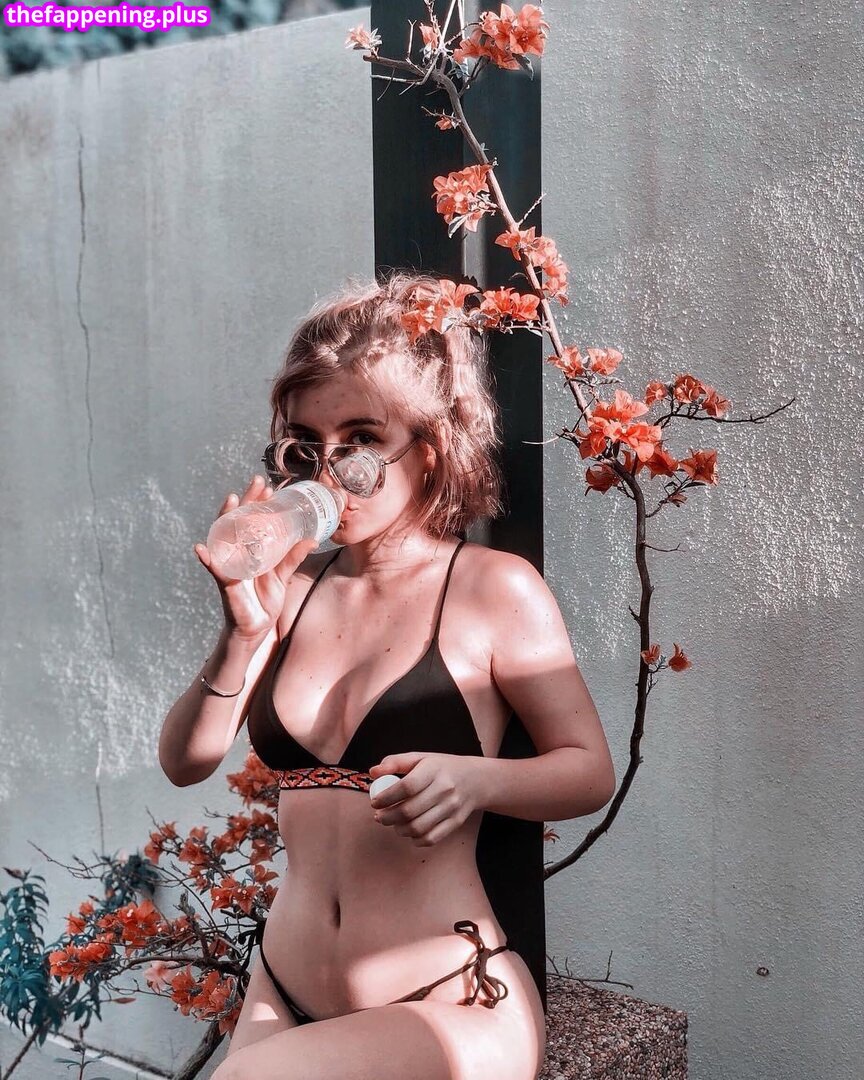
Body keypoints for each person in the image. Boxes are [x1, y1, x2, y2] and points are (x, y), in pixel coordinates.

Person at [159, 271, 616, 1080]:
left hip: (448, 999)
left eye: (362, 441)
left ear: (428, 450)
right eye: (307, 444)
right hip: (284, 989)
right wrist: (242, 633)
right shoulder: (292, 590)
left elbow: (588, 771)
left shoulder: (491, 589)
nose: (330, 471)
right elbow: (185, 762)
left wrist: (476, 780)